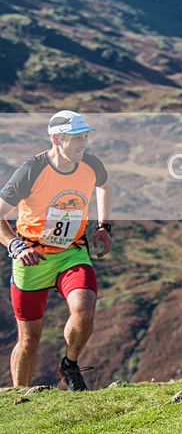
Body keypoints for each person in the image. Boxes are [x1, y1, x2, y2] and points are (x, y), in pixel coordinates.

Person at [1, 110, 112, 390]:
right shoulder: (31, 170)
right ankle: (19, 396)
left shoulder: (91, 164)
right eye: (76, 138)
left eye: (85, 137)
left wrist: (103, 225)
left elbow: (105, 185)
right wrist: (15, 245)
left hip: (71, 252)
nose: (83, 144)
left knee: (85, 308)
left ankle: (70, 365)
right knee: (29, 339)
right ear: (56, 139)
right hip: (32, 257)